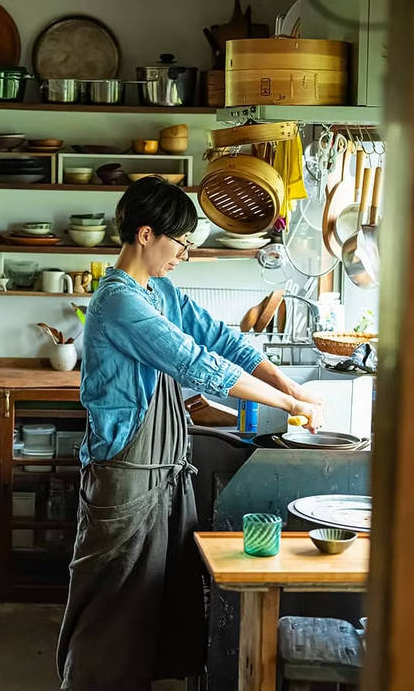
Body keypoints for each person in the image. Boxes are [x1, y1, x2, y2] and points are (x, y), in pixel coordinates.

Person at [57, 176, 325, 691]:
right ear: (144, 234)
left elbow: (223, 341)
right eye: (180, 243)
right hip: (124, 478)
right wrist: (290, 405)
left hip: (158, 476)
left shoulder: (158, 291)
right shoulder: (118, 301)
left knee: (150, 605)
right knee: (111, 609)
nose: (185, 253)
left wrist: (293, 385)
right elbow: (197, 365)